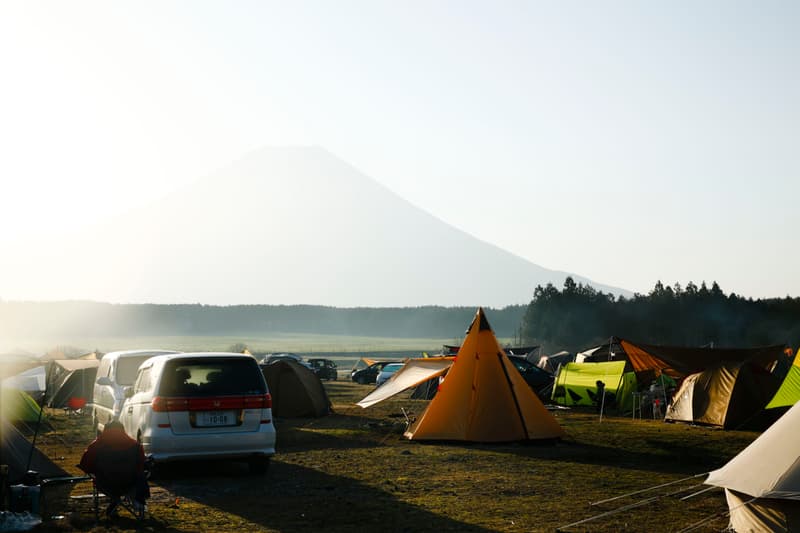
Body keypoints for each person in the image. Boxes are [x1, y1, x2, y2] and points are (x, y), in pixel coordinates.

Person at [78, 420, 149, 516]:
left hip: (105, 484)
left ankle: (115, 501)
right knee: (140, 476)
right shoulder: (135, 446)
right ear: (123, 430)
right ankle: (135, 502)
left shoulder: (95, 446)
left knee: (107, 481)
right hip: (130, 483)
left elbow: (85, 465)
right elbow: (141, 465)